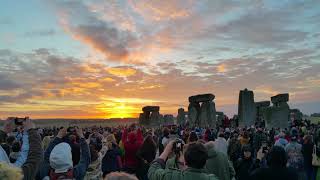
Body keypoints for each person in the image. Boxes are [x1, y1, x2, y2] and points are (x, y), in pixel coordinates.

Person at [148, 141, 219, 180]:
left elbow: (152, 171)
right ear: (205, 162)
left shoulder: (171, 176)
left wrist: (166, 150)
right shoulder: (212, 178)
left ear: (185, 162)